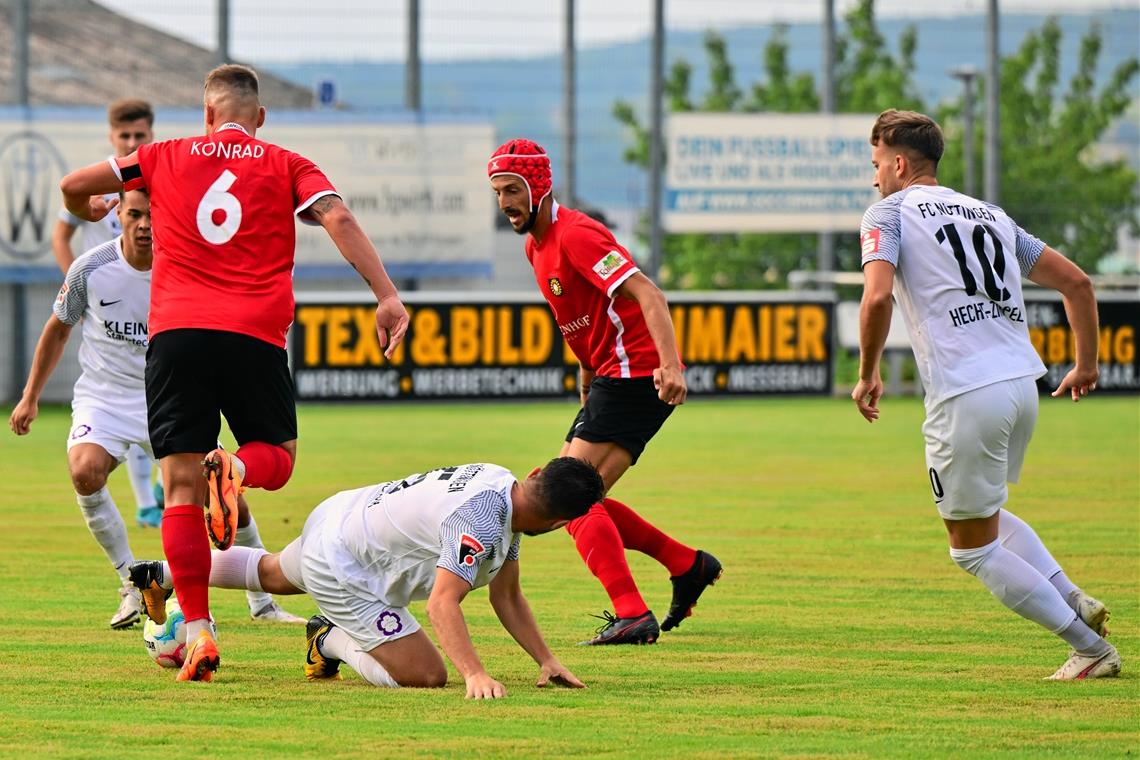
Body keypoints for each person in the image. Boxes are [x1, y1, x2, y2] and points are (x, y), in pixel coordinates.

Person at [59, 64, 410, 682]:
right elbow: (340, 219)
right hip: (254, 335)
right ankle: (240, 467)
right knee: (278, 454)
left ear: (206, 115)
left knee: (181, 491)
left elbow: (72, 184)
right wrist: (385, 295)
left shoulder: (160, 155)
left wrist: (84, 207)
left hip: (176, 338)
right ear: (260, 118)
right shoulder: (287, 164)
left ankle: (197, 633)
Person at [852, 109, 1119, 681]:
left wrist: (868, 372)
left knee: (970, 548)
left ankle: (1090, 649)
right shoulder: (991, 215)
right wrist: (1087, 364)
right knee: (986, 516)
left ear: (898, 163)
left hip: (965, 389)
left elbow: (876, 299)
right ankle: (1073, 598)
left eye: (876, 164)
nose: (874, 177)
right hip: (1023, 382)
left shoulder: (888, 212)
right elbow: (1078, 282)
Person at [9, 189, 303, 629]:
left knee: (226, 497)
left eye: (153, 215)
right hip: (105, 396)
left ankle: (262, 603)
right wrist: (31, 395)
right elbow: (57, 330)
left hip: (170, 394)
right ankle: (132, 581)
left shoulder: (184, 266)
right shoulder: (91, 268)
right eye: (135, 214)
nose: (145, 224)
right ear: (118, 216)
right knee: (84, 471)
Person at [487, 139, 721, 646]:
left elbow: (647, 293)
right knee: (572, 497)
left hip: (637, 373)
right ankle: (686, 565)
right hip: (613, 377)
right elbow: (581, 319)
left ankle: (634, 612)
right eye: (498, 191)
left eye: (512, 189)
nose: (504, 201)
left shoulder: (576, 235)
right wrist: (587, 373)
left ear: (539, 186)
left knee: (558, 500)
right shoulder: (536, 245)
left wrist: (669, 364)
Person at [129, 458, 603, 696]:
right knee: (426, 674)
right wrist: (474, 674)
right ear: (559, 524)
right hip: (343, 563)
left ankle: (165, 573)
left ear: (537, 473)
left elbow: (508, 595)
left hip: (343, 515)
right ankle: (329, 638)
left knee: (273, 573)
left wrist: (546, 659)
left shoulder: (503, 483)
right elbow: (442, 603)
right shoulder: (480, 521)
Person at [52, 98, 161, 529]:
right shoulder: (97, 182)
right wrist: (75, 290)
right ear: (112, 137)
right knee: (121, 392)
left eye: (140, 136)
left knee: (154, 396)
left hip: (158, 302)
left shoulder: (160, 178)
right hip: (110, 305)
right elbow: (62, 235)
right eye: (125, 136)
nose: (132, 142)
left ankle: (160, 486)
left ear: (151, 135)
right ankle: (145, 500)